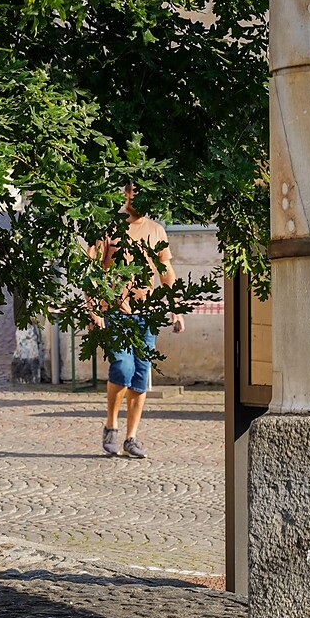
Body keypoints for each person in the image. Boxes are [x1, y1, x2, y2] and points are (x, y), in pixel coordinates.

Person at [95, 186, 183, 460]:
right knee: (122, 366)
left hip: (147, 313)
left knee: (141, 373)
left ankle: (131, 438)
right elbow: (93, 271)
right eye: (135, 194)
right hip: (116, 311)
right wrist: (94, 311)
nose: (139, 200)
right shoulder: (109, 228)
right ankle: (111, 425)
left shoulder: (157, 230)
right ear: (125, 194)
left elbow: (166, 272)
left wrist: (175, 308)